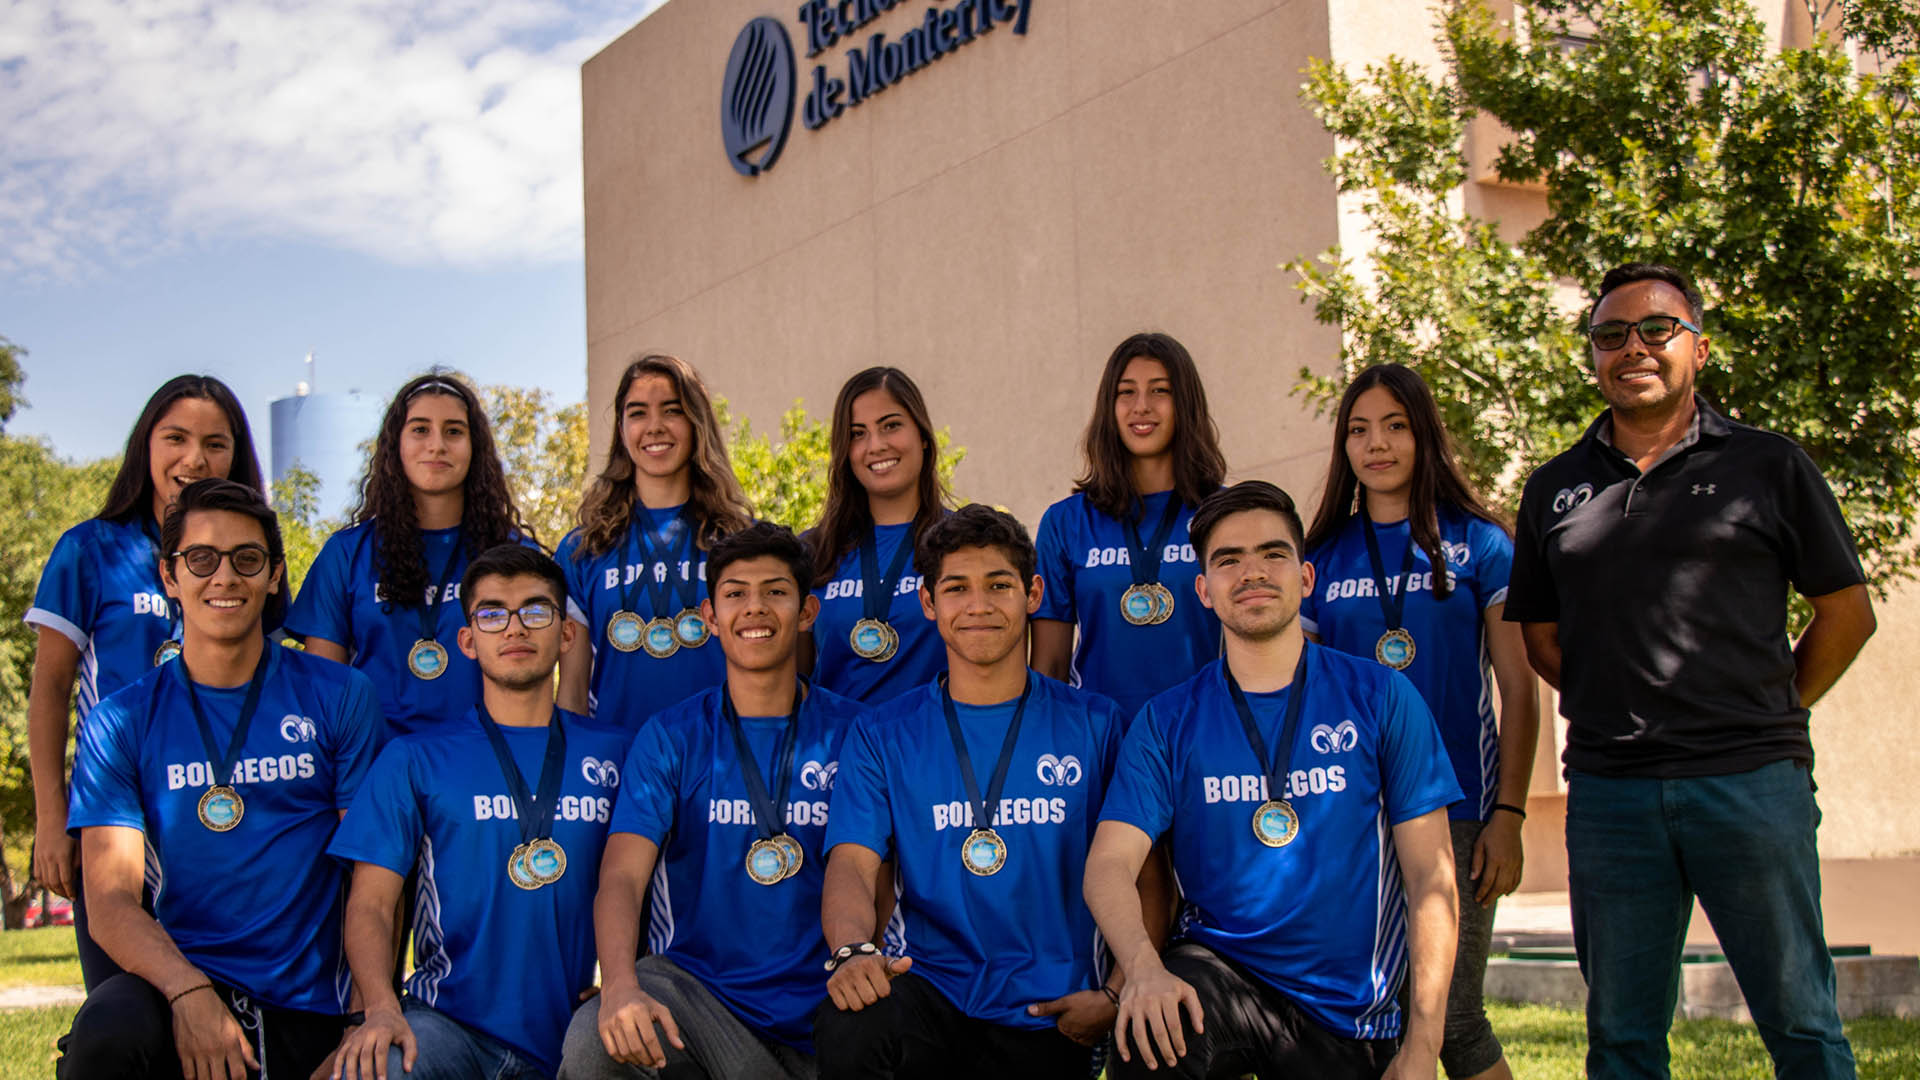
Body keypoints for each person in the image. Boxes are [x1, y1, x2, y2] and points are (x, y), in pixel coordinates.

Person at [1504, 262, 1877, 1080]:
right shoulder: (1555, 488)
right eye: (1610, 334)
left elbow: (1847, 613)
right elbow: (1541, 637)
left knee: (1803, 1026)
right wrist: (1623, 698)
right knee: (1623, 1041)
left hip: (1750, 784)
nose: (1632, 347)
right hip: (1610, 797)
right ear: (1593, 356)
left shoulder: (1769, 465)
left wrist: (1774, 708)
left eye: (1655, 329)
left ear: (1698, 349)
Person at [1085, 480, 1460, 1080]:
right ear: (1204, 590)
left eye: (1273, 554)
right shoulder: (1167, 719)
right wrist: (1144, 969)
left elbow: (1429, 877)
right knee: (1153, 1030)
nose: (1252, 572)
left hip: (1348, 1010)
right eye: (1228, 559)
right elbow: (1108, 865)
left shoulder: (1383, 697)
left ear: (1305, 578)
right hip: (1219, 971)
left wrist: (1423, 1045)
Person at [57, 478, 383, 1080]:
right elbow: (109, 899)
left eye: (247, 559)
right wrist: (187, 993)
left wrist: (366, 1013)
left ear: (275, 575)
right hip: (183, 983)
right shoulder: (122, 718)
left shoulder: (340, 695)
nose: (225, 577)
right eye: (201, 559)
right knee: (104, 1034)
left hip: (310, 1000)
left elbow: (373, 873)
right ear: (169, 576)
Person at [814, 504, 1128, 1079]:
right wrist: (854, 949)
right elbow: (852, 866)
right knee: (851, 1019)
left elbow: (1144, 875)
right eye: (956, 588)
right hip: (933, 995)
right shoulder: (883, 732)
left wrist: (1114, 993)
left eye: (998, 585)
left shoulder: (1097, 724)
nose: (978, 605)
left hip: (1050, 1011)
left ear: (1032, 594)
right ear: (929, 603)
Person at [1301, 364, 1538, 1080]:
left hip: (1458, 809)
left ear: (1424, 435)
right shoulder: (1321, 555)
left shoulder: (1481, 545)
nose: (1377, 444)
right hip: (1349, 817)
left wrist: (1510, 815)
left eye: (1395, 426)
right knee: (1367, 1015)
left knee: (1455, 1018)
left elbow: (1519, 690)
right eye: (1359, 429)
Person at [561, 523, 866, 1080]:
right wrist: (620, 986)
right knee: (593, 1042)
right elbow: (623, 877)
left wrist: (859, 959)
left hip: (829, 1000)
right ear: (709, 615)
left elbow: (880, 874)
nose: (755, 608)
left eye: (775, 591)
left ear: (806, 612)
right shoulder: (671, 736)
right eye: (735, 594)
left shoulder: (856, 732)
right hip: (700, 999)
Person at [328, 543, 628, 1080]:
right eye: (492, 614)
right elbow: (372, 903)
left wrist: (628, 980)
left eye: (535, 610)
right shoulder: (414, 758)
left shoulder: (617, 753)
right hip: (447, 1027)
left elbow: (650, 885)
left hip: (575, 1031)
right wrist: (377, 1009)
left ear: (565, 635)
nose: (514, 628)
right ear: (467, 640)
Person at [26, 374, 271, 991]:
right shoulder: (90, 550)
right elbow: (51, 690)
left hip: (219, 809)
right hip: (116, 814)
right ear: (146, 447)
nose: (196, 458)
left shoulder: (249, 557)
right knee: (126, 1006)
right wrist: (52, 819)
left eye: (216, 443)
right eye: (176, 438)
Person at [289, 371, 540, 738]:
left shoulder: (514, 553)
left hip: (487, 769)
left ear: (476, 447)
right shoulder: (346, 554)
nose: (436, 445)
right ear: (396, 445)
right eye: (420, 429)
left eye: (454, 431)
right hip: (376, 770)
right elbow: (323, 690)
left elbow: (534, 675)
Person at [1032, 331, 1226, 721]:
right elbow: (1049, 665)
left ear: (1184, 403)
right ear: (1109, 406)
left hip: (1203, 731)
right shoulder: (1066, 522)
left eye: (1160, 391)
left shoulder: (1223, 514)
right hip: (1101, 739)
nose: (1141, 407)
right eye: (1126, 392)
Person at [558, 354, 754, 730]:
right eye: (637, 413)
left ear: (696, 423)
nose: (654, 427)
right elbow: (573, 690)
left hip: (722, 757)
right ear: (620, 429)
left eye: (672, 411)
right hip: (619, 763)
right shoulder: (583, 549)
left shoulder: (739, 538)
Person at [805, 367, 951, 702]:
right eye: (857, 433)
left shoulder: (961, 545)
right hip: (839, 750)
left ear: (923, 436)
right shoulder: (814, 551)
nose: (876, 445)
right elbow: (796, 681)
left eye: (891, 426)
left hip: (936, 748)